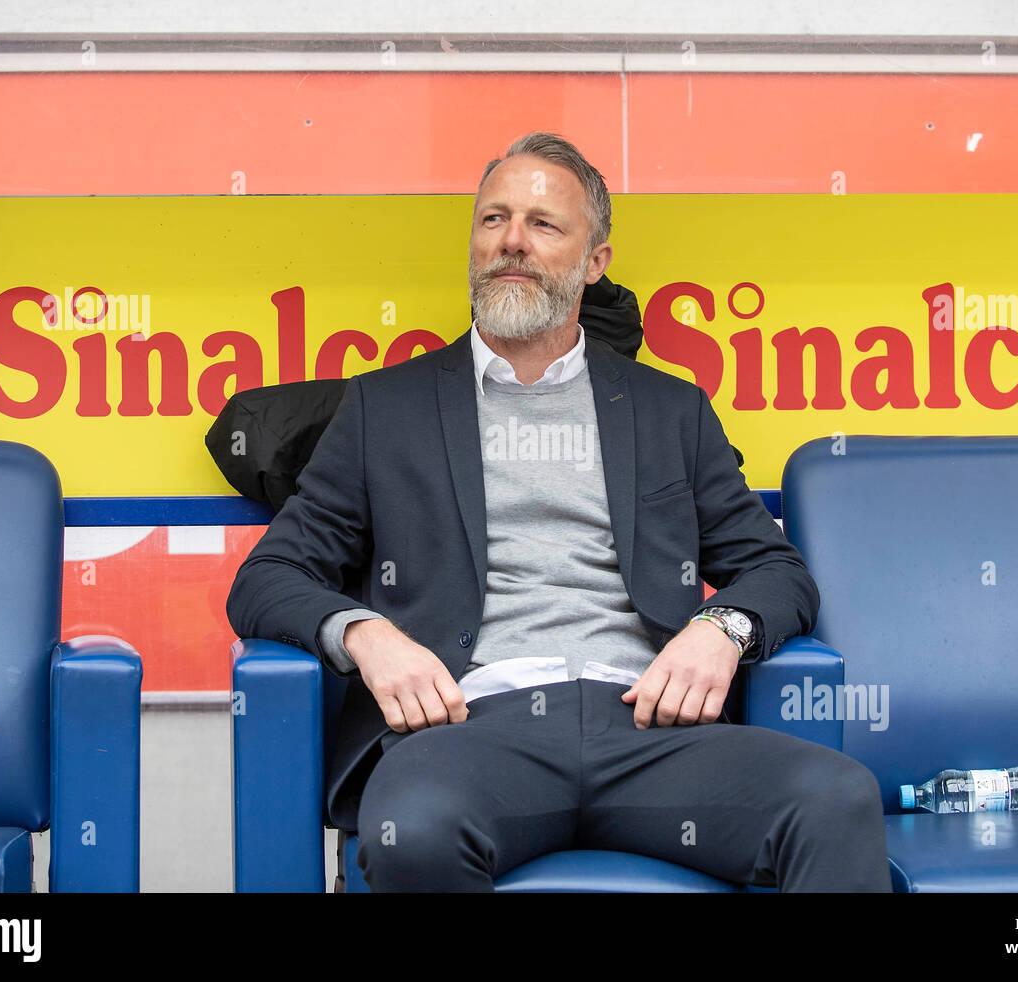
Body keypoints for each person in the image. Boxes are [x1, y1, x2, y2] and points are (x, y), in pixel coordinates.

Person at [226, 131, 891, 892]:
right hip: (470, 729)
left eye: (543, 224)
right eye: (492, 220)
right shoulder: (389, 407)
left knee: (836, 800)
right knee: (411, 833)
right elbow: (268, 576)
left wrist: (721, 629)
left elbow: (776, 571)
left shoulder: (667, 409)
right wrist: (367, 634)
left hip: (647, 725)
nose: (512, 241)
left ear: (595, 260)